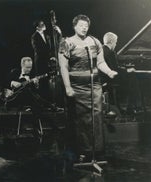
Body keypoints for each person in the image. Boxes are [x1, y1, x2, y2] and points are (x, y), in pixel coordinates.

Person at [58, 15, 117, 159]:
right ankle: (81, 151)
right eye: (81, 25)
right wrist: (67, 87)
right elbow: (63, 67)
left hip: (94, 85)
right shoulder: (66, 42)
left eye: (86, 26)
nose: (84, 28)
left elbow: (100, 62)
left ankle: (95, 151)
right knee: (79, 119)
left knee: (96, 116)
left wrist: (109, 72)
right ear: (75, 26)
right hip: (76, 86)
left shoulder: (95, 41)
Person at [4, 57, 62, 138]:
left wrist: (36, 85)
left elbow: (35, 91)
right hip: (14, 99)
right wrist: (12, 82)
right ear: (22, 65)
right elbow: (4, 83)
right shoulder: (14, 72)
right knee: (34, 99)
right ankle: (51, 107)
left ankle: (36, 128)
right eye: (27, 67)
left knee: (32, 98)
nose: (29, 70)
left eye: (30, 67)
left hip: (28, 99)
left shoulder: (33, 75)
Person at [101, 32, 136, 115]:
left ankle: (118, 106)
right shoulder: (110, 52)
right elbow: (115, 69)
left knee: (128, 78)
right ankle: (131, 107)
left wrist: (123, 69)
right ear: (112, 41)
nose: (116, 44)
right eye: (116, 42)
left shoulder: (102, 50)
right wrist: (127, 70)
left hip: (103, 77)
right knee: (132, 79)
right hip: (109, 78)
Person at [31, 20, 62, 101]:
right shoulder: (34, 36)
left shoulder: (46, 35)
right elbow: (38, 50)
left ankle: (50, 101)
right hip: (40, 62)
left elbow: (53, 45)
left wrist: (58, 32)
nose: (44, 25)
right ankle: (43, 102)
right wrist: (49, 58)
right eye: (42, 24)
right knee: (42, 82)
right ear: (37, 27)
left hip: (47, 61)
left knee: (48, 81)